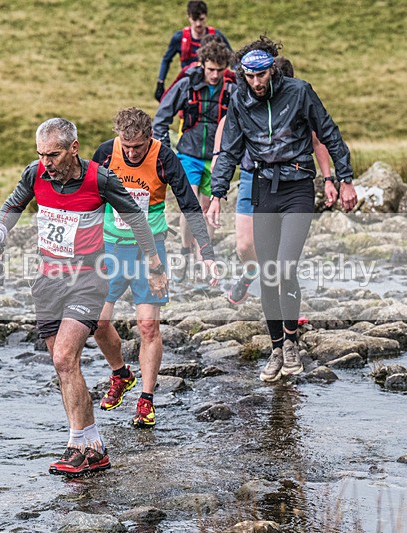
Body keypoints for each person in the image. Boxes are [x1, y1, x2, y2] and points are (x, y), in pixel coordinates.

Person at [0, 118, 165, 476]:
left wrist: (155, 264)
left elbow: (137, 219)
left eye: (53, 154)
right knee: (63, 366)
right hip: (48, 282)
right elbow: (12, 206)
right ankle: (92, 447)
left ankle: (76, 442)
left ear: (73, 148)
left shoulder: (100, 178)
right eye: (41, 154)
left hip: (88, 279)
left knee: (66, 357)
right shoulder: (35, 174)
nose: (46, 162)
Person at [207, 36, 357, 383]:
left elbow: (329, 133)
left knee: (286, 266)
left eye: (261, 75)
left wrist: (344, 178)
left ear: (272, 70)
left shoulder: (299, 92)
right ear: (243, 74)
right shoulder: (240, 100)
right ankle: (277, 349)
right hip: (263, 190)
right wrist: (216, 195)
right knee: (269, 273)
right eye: (249, 76)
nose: (256, 83)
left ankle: (292, 342)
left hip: (298, 188)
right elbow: (229, 150)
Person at [92, 108, 216, 428]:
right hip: (111, 247)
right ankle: (121, 374)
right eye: (127, 146)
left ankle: (146, 399)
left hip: (152, 252)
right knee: (97, 322)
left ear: (150, 138)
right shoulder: (106, 153)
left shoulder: (164, 157)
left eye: (138, 146)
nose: (131, 153)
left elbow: (189, 204)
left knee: (147, 327)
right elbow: (89, 200)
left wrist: (206, 250)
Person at [219, 56, 338, 305]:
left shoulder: (298, 102)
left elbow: (319, 140)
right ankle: (253, 272)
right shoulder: (246, 102)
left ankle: (287, 310)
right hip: (254, 176)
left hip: (290, 180)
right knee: (244, 246)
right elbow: (225, 137)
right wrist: (217, 188)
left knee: (282, 258)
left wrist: (329, 179)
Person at [153, 39, 236, 277]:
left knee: (208, 207)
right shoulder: (187, 85)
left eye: (220, 70)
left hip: (217, 157)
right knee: (189, 206)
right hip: (188, 154)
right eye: (211, 69)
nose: (214, 75)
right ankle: (184, 250)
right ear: (202, 64)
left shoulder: (232, 89)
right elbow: (161, 118)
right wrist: (166, 152)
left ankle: (204, 259)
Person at [154, 0, 231, 102]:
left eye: (201, 19)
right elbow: (166, 60)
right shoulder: (179, 38)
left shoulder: (216, 36)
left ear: (206, 16)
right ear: (189, 18)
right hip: (189, 85)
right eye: (194, 20)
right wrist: (160, 82)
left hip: (213, 85)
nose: (198, 24)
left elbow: (232, 58)